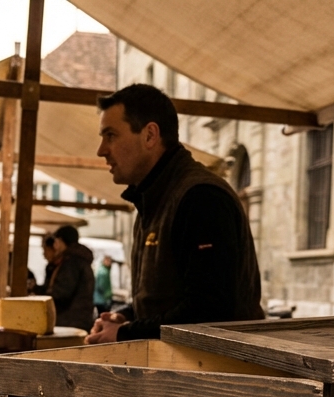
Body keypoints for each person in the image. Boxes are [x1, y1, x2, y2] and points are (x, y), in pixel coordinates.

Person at [86, 84, 263, 344]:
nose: (101, 149)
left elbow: (209, 312)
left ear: (150, 135)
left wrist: (125, 333)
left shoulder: (201, 197)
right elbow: (167, 300)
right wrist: (127, 317)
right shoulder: (154, 198)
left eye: (110, 135)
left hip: (215, 378)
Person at [44, 225, 96, 331]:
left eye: (56, 241)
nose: (55, 246)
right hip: (78, 320)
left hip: (70, 321)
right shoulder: (79, 260)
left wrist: (43, 297)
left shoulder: (72, 262)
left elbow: (62, 293)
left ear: (62, 241)